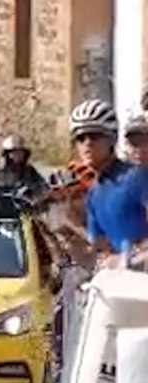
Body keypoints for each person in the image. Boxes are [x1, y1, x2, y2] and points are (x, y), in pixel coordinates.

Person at [70, 99, 148, 269]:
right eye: (80, 138)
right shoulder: (93, 194)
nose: (87, 143)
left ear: (112, 139)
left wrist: (127, 259)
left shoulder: (139, 178)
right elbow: (100, 251)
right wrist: (70, 238)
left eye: (95, 136)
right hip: (119, 288)